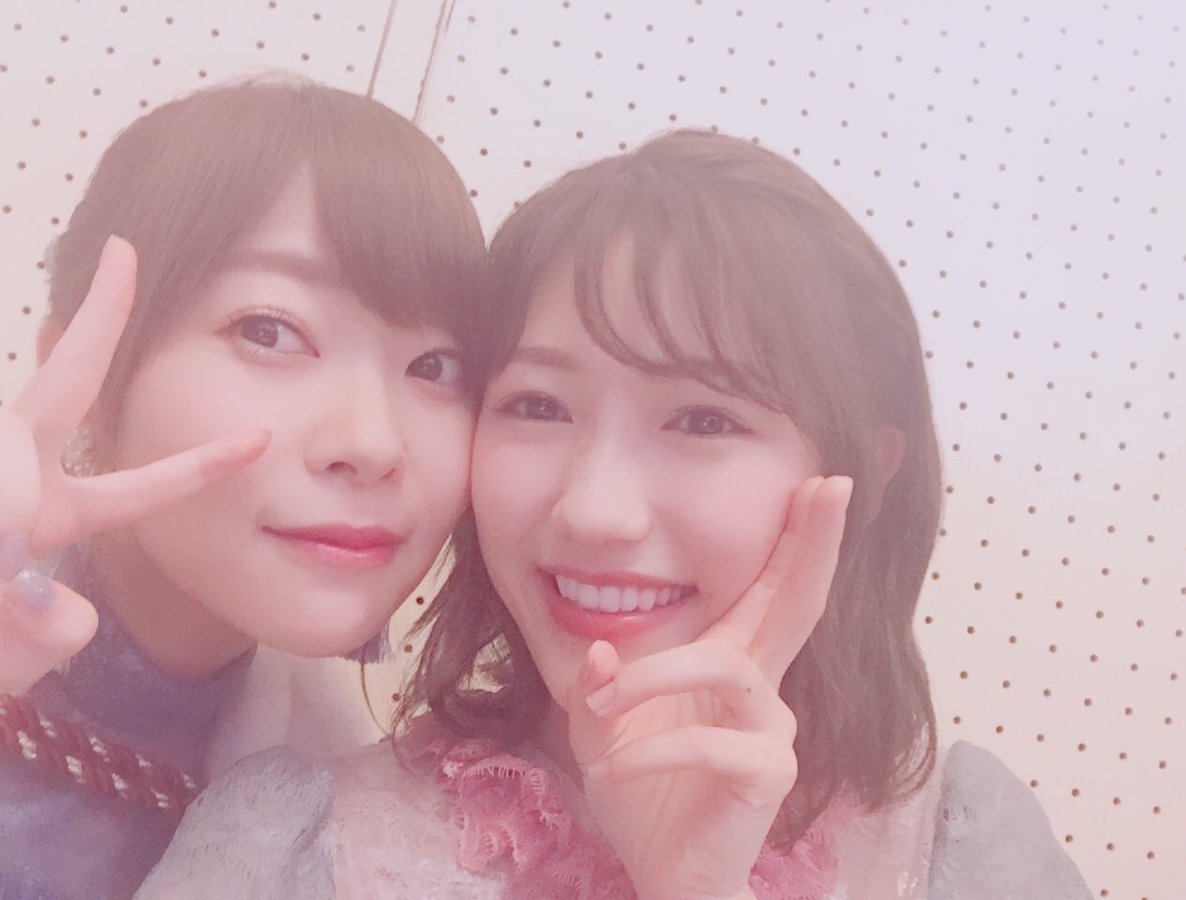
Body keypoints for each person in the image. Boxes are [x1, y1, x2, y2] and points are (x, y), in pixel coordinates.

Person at [140, 130, 1092, 898]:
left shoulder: (962, 846)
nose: (594, 511)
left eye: (703, 420)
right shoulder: (293, 838)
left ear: (863, 477)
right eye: (537, 406)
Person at [0, 78, 484, 899]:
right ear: (87, 371)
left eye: (435, 366)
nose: (372, 444)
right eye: (270, 330)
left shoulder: (333, 805)